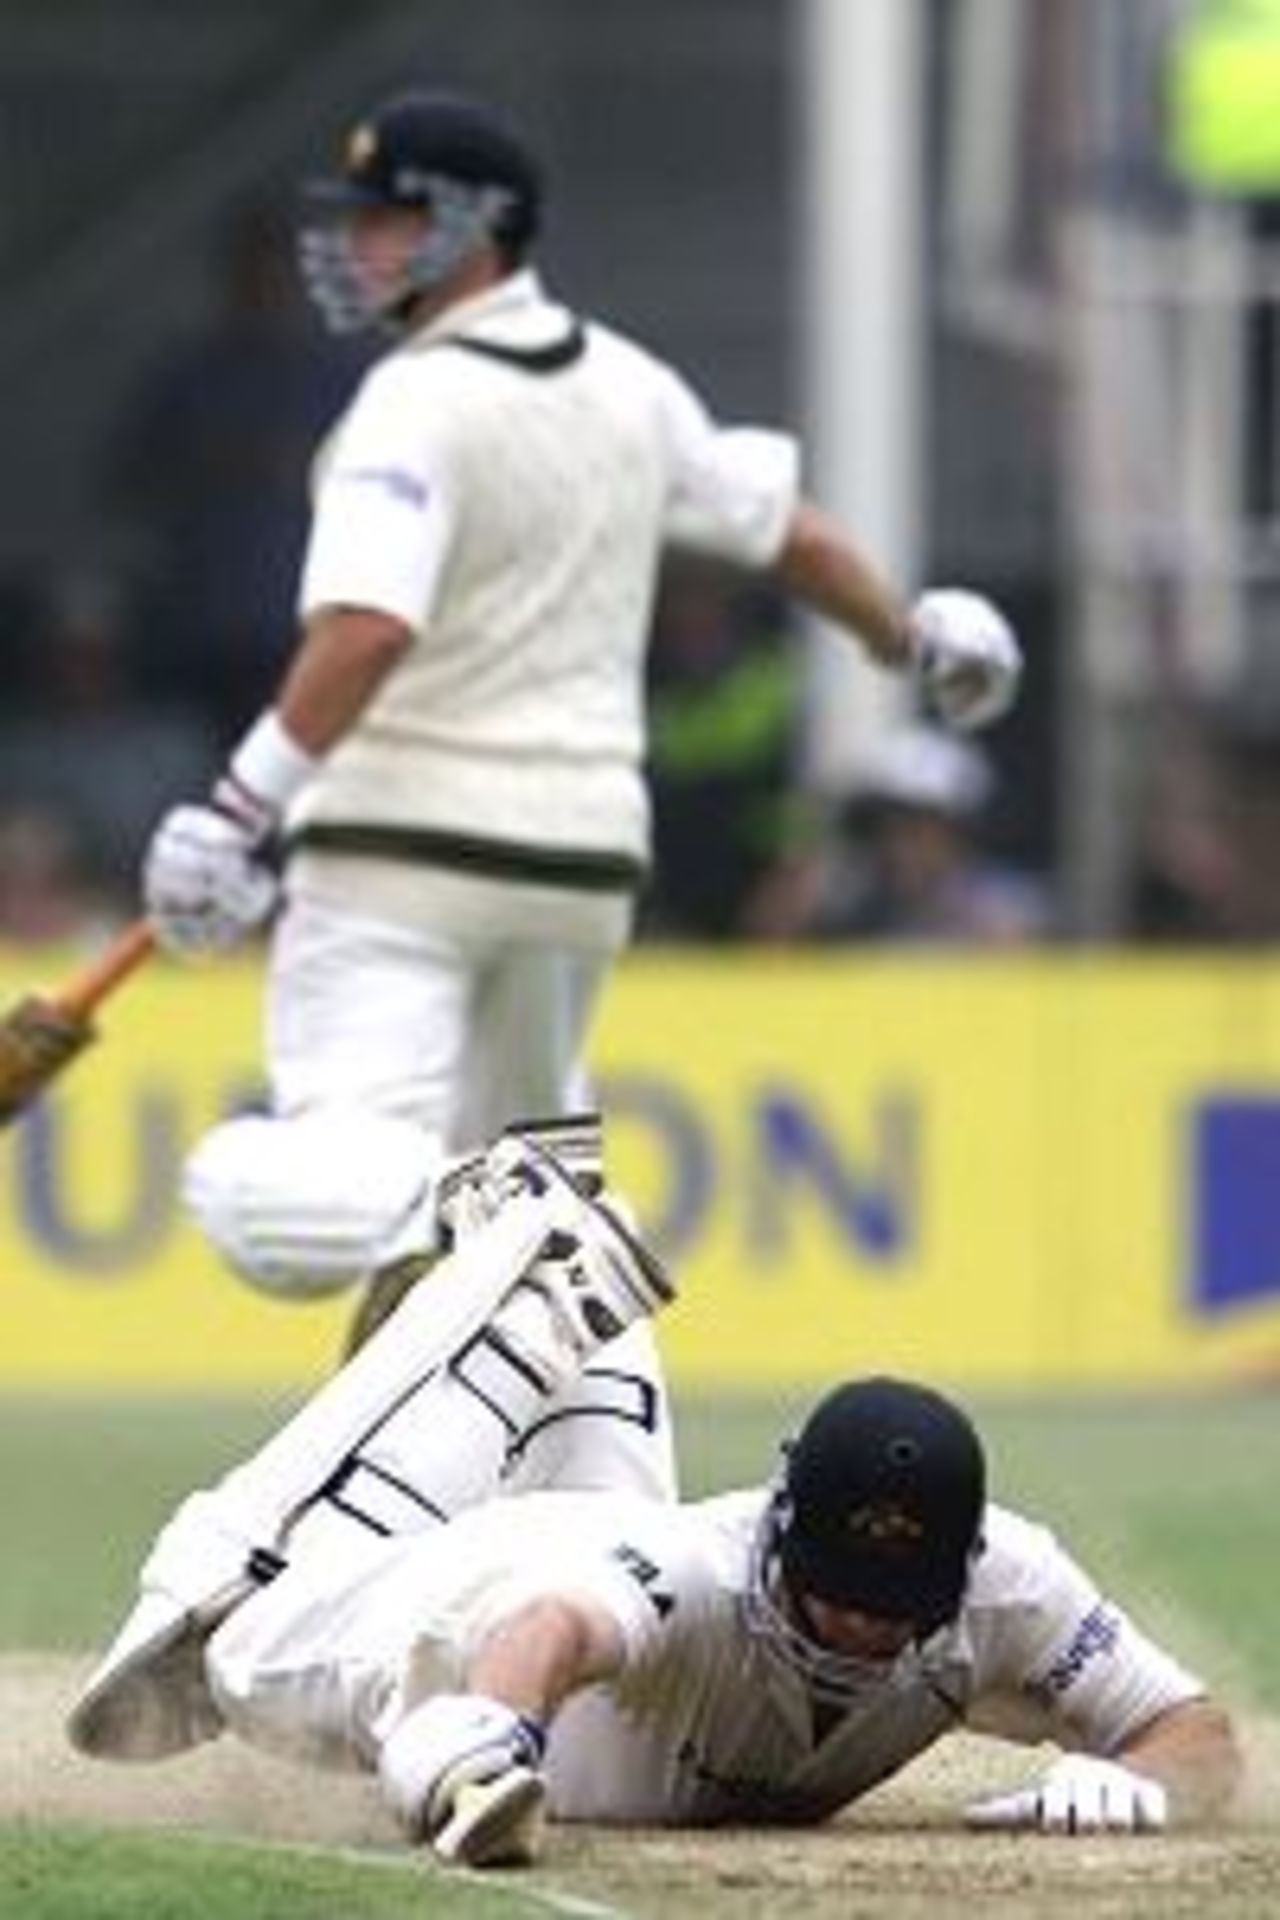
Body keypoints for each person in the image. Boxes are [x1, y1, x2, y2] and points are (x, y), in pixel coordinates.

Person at [137, 85, 1023, 1407]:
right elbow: (794, 537)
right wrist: (910, 640)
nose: (358, 247)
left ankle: (388, 1203)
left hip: (396, 854)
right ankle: (530, 1511)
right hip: (578, 865)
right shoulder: (629, 384)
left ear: (473, 229)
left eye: (389, 219)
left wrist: (234, 806)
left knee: (317, 1181)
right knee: (531, 1214)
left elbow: (370, 627)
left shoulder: (410, 403)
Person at [67, 1134, 1240, 1869]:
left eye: (899, 1603)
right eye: (839, 1595)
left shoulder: (1006, 1582)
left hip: (616, 1564)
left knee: (598, 1408)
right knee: (221, 1643)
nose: (868, 1629)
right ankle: (505, 1278)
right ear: (785, 1539)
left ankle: (549, 1253)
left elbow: (1193, 1734)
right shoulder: (706, 1575)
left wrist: (1139, 1787)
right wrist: (489, 1740)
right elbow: (554, 1631)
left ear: (958, 1569)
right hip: (478, 1602)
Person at [747, 723, 1053, 945]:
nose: (902, 845)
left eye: (919, 829)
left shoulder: (1003, 905)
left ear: (960, 832)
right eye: (891, 828)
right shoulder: (853, 902)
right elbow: (768, 954)